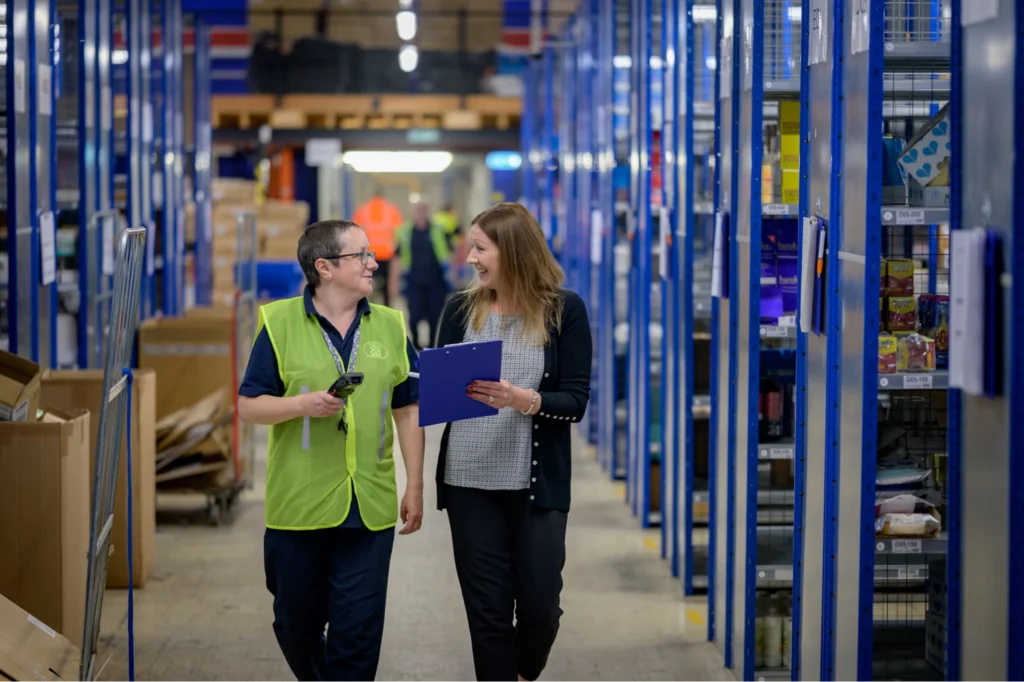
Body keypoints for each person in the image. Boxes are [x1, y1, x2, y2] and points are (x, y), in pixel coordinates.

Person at [237, 219, 425, 682]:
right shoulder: (278, 324)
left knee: (357, 634)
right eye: (360, 255)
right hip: (298, 504)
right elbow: (248, 406)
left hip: (370, 504)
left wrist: (415, 483)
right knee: (295, 625)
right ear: (324, 267)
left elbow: (407, 408)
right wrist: (300, 404)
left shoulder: (389, 325)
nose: (372, 262)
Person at [433, 202, 592, 682]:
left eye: (480, 248)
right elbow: (440, 396)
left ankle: (523, 673)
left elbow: (576, 401)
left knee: (542, 609)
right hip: (469, 482)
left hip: (535, 487)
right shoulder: (459, 309)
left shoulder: (565, 311)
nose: (470, 259)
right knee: (488, 615)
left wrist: (521, 398)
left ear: (514, 251)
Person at [389, 200, 454, 348]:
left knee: (435, 318)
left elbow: (450, 253)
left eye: (423, 209)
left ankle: (431, 348)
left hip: (436, 282)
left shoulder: (438, 230)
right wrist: (393, 284)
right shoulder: (405, 232)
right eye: (417, 209)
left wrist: (453, 275)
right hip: (414, 283)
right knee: (413, 317)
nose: (421, 213)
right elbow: (397, 259)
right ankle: (417, 344)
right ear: (412, 212)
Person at [352, 191, 403, 306]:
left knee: (367, 284)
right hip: (387, 254)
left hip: (368, 254)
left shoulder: (362, 209)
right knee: (386, 288)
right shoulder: (392, 209)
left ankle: (367, 308)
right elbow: (399, 233)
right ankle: (386, 309)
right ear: (383, 197)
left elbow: (354, 232)